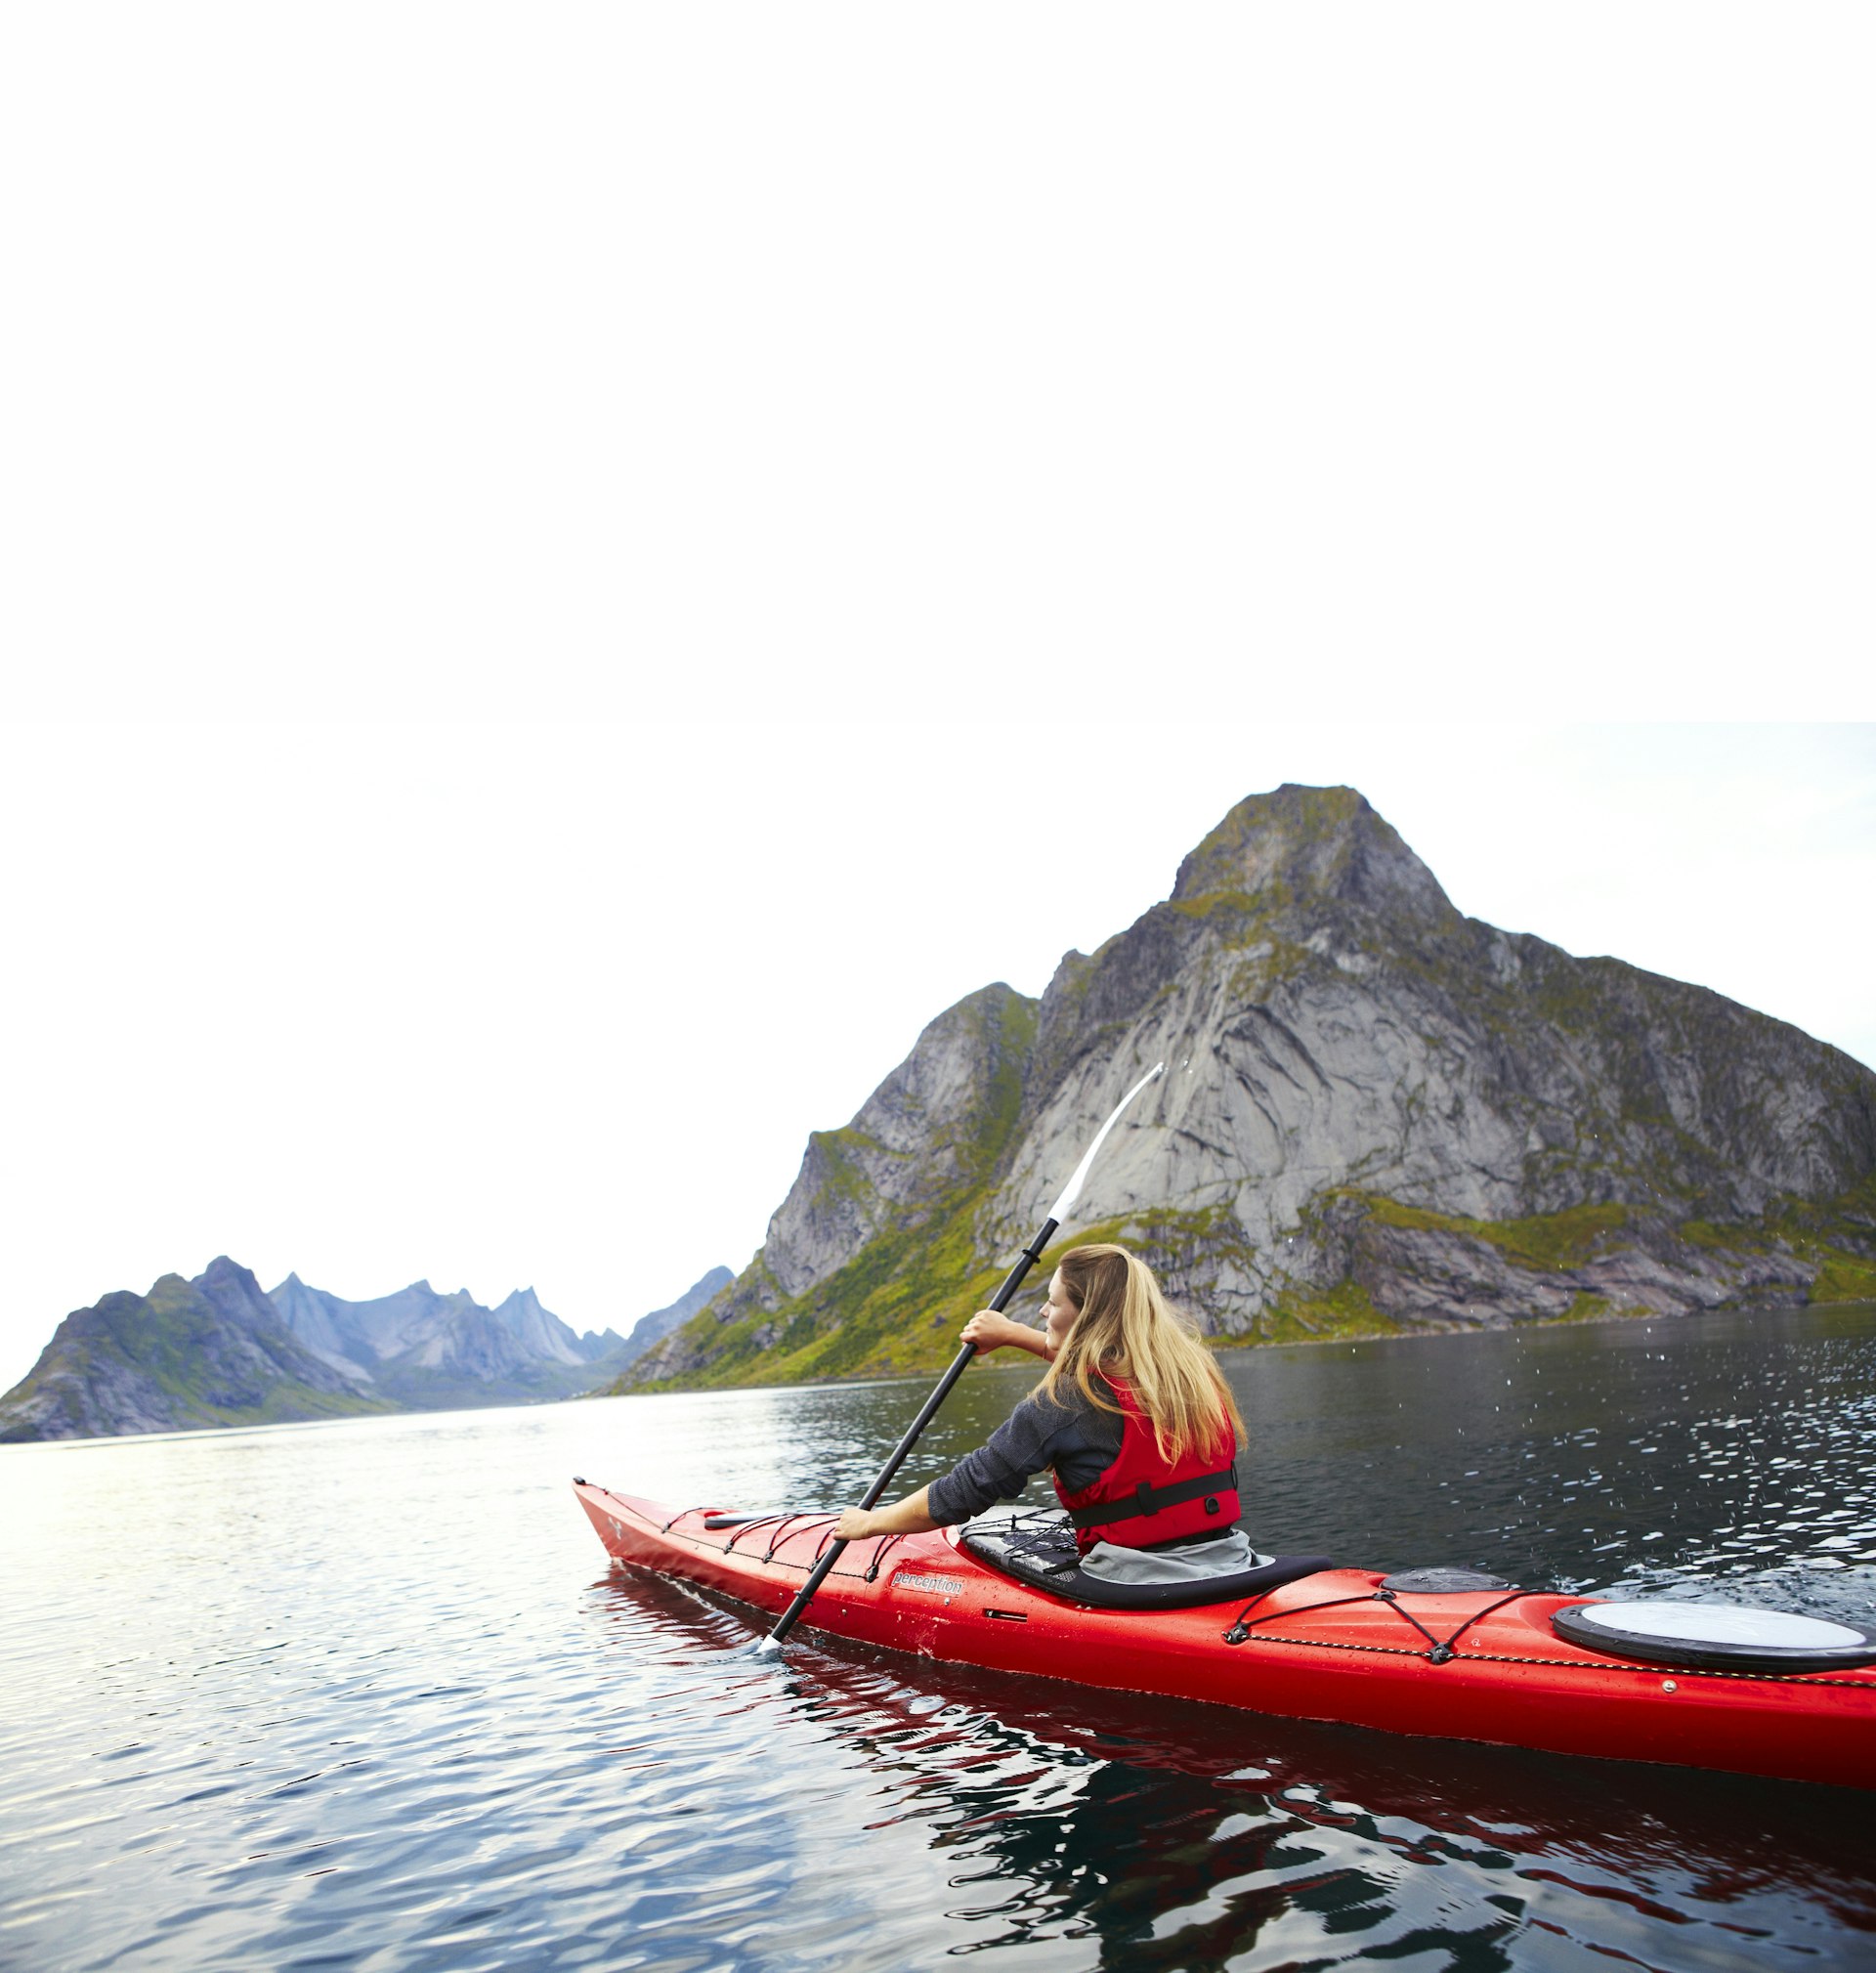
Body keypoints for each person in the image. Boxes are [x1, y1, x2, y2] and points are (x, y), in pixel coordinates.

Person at [833, 1243, 1257, 1583]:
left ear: (1085, 1315)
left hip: (1134, 1576)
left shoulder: (1062, 1404)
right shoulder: (1192, 1374)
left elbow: (963, 1490)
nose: (1042, 1312)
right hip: (1228, 1554)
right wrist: (1013, 1335)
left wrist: (872, 1523)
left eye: (1052, 1304)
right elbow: (1100, 1364)